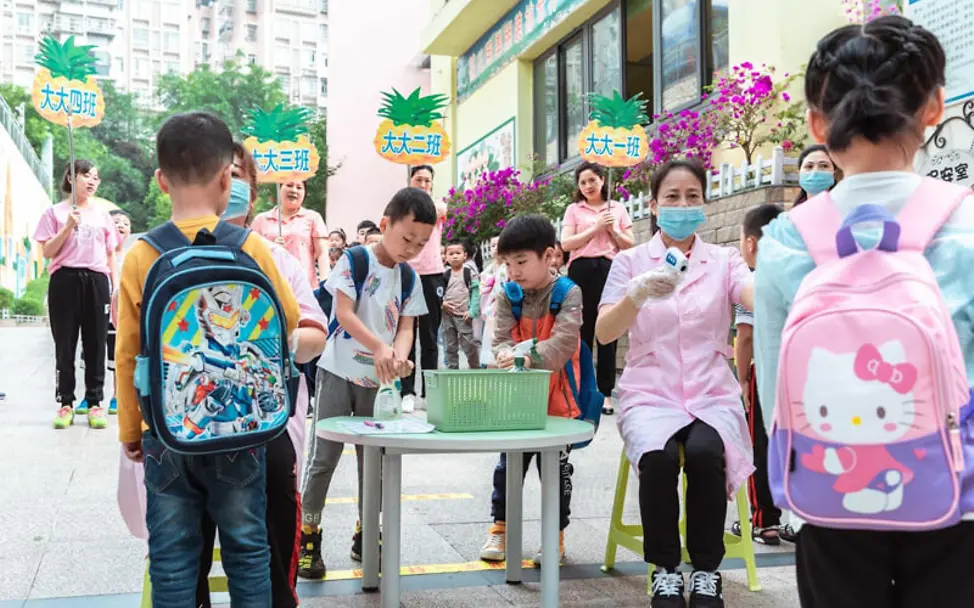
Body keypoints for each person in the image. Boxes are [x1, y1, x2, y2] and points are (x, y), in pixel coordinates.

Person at [754, 16, 974, 606]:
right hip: (959, 494)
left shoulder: (787, 238)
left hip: (830, 491)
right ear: (933, 107)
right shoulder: (967, 224)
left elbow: (775, 384)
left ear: (817, 124)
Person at [115, 112, 320, 607]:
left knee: (172, 556)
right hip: (240, 429)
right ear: (228, 178)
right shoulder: (253, 248)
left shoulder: (141, 254)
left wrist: (131, 432)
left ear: (161, 179)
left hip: (167, 435)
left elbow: (125, 355)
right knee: (248, 550)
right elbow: (289, 324)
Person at [595, 160, 755, 608]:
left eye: (692, 197)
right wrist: (636, 294)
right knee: (658, 459)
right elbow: (605, 332)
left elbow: (750, 292)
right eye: (672, 197)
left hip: (710, 389)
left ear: (703, 203)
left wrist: (783, 286)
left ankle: (706, 572)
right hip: (651, 391)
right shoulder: (629, 262)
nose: (682, 205)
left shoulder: (724, 259)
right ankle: (665, 570)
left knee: (707, 454)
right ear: (654, 205)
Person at [193, 142, 329, 608]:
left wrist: (278, 345)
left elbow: (314, 332)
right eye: (218, 173)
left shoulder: (276, 259)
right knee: (186, 553)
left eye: (237, 176)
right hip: (189, 428)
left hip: (264, 425)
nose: (227, 185)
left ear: (251, 192)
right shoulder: (163, 251)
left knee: (269, 547)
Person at [298, 187, 435, 580]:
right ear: (386, 224)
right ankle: (309, 535)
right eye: (407, 238)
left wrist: (398, 355)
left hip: (379, 381)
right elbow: (343, 312)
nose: (413, 248)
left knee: (372, 462)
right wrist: (380, 346)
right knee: (322, 458)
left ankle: (366, 531)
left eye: (422, 243)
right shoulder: (355, 261)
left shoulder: (410, 278)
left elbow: (407, 327)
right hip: (338, 370)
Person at [480, 215, 583, 566]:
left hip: (560, 399)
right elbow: (500, 338)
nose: (514, 272)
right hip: (517, 401)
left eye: (521, 262)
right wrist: (505, 352)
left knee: (555, 471)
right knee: (508, 466)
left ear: (550, 255)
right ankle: (500, 528)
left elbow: (564, 343)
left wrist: (524, 355)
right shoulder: (510, 295)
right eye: (507, 264)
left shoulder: (569, 292)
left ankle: (554, 536)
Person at [34, 159, 119, 430]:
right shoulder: (54, 213)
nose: (92, 181)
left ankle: (95, 403)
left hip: (96, 280)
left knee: (96, 343)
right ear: (71, 178)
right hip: (65, 280)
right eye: (86, 176)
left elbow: (110, 253)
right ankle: (65, 403)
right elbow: (47, 252)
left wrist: (114, 286)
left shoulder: (102, 215)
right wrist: (67, 227)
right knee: (65, 344)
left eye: (96, 177)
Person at [730, 204, 787, 547]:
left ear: (750, 243)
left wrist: (742, 380)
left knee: (760, 447)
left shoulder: (751, 282)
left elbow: (745, 336)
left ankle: (764, 521)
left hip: (765, 374)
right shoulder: (801, 275)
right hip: (800, 374)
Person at [561, 161, 635, 415]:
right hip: (580, 271)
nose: (588, 186)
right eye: (582, 182)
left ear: (603, 180)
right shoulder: (573, 209)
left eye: (592, 180)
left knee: (607, 333)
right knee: (581, 333)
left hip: (609, 271)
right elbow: (566, 243)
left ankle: (605, 394)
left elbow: (629, 245)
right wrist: (595, 229)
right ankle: (579, 389)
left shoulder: (617, 208)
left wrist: (612, 229)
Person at [401, 164, 448, 413]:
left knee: (429, 337)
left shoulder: (437, 206)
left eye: (427, 180)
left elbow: (438, 209)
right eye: (418, 179)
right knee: (405, 334)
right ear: (410, 181)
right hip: (406, 273)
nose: (422, 184)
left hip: (431, 274)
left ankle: (429, 392)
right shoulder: (401, 208)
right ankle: (406, 391)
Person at [251, 180, 329, 287]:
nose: (294, 190)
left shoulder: (313, 218)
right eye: (289, 185)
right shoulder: (261, 220)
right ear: (280, 188)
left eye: (299, 187)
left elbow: (322, 253)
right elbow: (252, 253)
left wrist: (325, 282)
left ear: (305, 193)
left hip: (304, 286)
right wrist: (271, 248)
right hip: (269, 286)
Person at [105, 209, 132, 415]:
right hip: (101, 310)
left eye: (125, 223)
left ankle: (117, 396)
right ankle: (91, 396)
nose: (121, 225)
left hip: (123, 313)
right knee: (94, 355)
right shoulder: (100, 256)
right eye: (115, 222)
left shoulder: (133, 257)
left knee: (119, 354)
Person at [442, 241, 481, 369]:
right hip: (448, 315)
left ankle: (474, 367)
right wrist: (443, 303)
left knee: (469, 343)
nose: (454, 256)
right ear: (446, 257)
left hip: (464, 315)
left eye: (458, 253)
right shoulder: (445, 274)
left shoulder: (469, 273)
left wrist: (472, 311)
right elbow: (439, 292)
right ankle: (452, 369)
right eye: (451, 254)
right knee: (450, 344)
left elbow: (476, 292)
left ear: (465, 255)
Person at [479, 236, 507, 367]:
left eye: (498, 244)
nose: (495, 248)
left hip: (500, 309)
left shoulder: (506, 268)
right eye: (492, 245)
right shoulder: (488, 270)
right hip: (489, 311)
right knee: (489, 344)